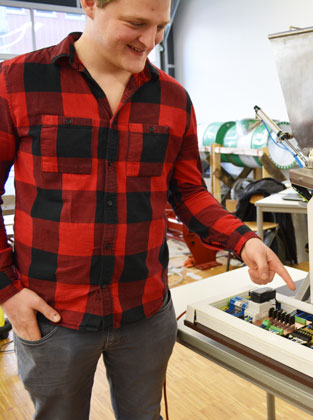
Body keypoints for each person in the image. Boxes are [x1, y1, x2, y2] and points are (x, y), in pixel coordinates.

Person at [0, 0, 295, 418]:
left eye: (160, 27)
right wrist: (7, 292)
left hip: (145, 312)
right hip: (53, 315)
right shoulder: (18, 81)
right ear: (89, 4)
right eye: (136, 24)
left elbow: (189, 191)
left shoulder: (173, 99)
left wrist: (242, 239)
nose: (150, 41)